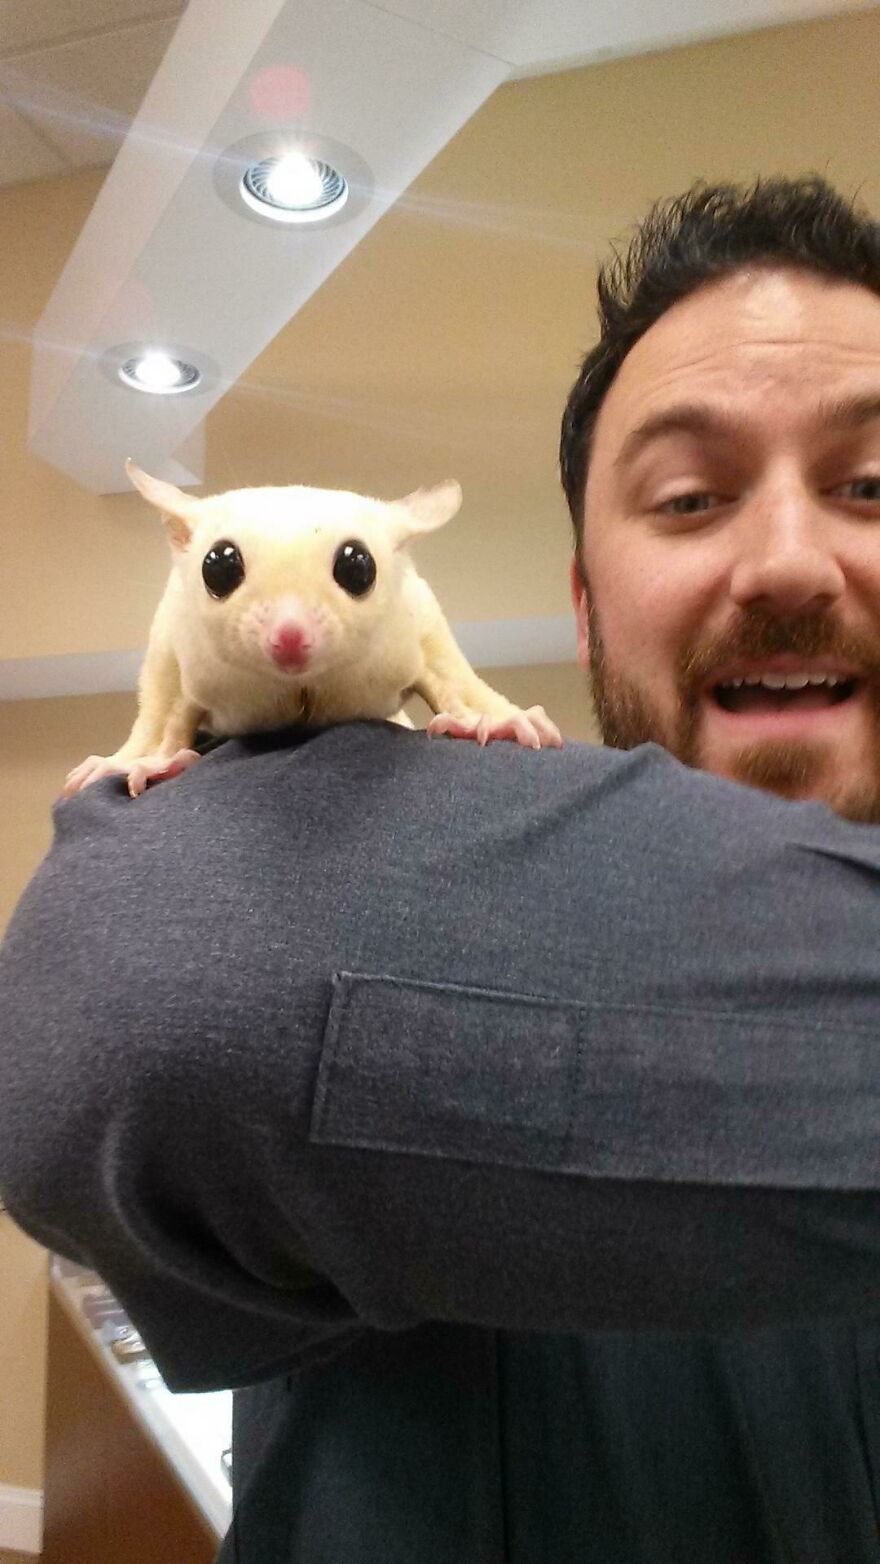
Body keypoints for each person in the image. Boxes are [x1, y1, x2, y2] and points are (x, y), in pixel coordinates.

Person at [2, 174, 880, 1564]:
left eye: (872, 484)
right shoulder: (370, 865)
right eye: (693, 496)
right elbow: (120, 993)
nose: (785, 560)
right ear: (584, 604)